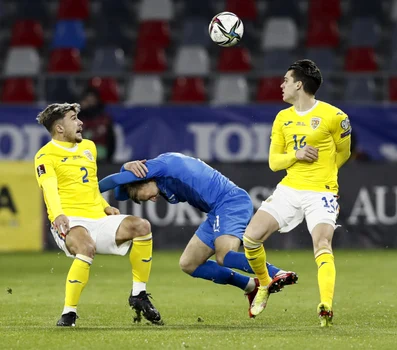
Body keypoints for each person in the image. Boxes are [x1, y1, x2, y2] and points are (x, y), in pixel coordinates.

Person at [98, 152, 298, 318]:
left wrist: (99, 184)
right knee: (188, 263)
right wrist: (126, 168)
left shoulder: (158, 166)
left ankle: (276, 273)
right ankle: (250, 285)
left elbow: (110, 182)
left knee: (224, 256)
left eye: (142, 195)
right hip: (216, 211)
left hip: (230, 202)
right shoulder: (157, 178)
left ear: (141, 178)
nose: (151, 200)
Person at [242, 59, 352, 327]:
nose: (281, 85)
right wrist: (297, 154)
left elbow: (344, 153)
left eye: (286, 80)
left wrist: (326, 178)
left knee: (322, 245)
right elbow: (274, 162)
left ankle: (325, 305)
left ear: (299, 84)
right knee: (250, 238)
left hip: (321, 192)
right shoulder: (283, 117)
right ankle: (265, 285)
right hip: (289, 189)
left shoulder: (335, 117)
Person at [34, 103, 162, 327]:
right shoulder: (45, 156)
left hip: (97, 217)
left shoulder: (89, 148)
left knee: (142, 226)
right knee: (86, 247)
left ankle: (139, 294)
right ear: (59, 128)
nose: (80, 122)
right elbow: (49, 188)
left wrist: (104, 205)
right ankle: (69, 313)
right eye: (74, 118)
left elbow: (90, 185)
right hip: (69, 219)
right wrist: (58, 215)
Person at [79, 87, 116, 163]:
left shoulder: (104, 119)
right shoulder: (77, 118)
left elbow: (111, 139)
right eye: (87, 101)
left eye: (92, 101)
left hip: (101, 159)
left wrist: (109, 159)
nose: (90, 103)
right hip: (81, 157)